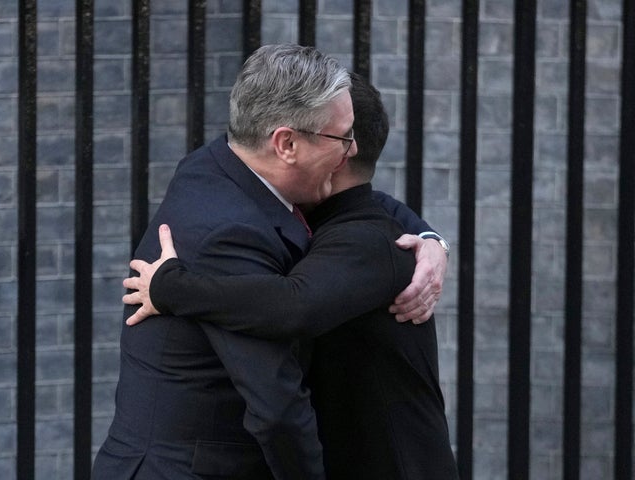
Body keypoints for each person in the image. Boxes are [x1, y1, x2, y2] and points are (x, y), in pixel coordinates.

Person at [93, 44, 447, 480]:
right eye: (343, 138)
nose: (352, 151)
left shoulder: (217, 167)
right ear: (286, 143)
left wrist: (432, 239)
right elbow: (277, 406)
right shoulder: (230, 232)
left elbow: (360, 207)